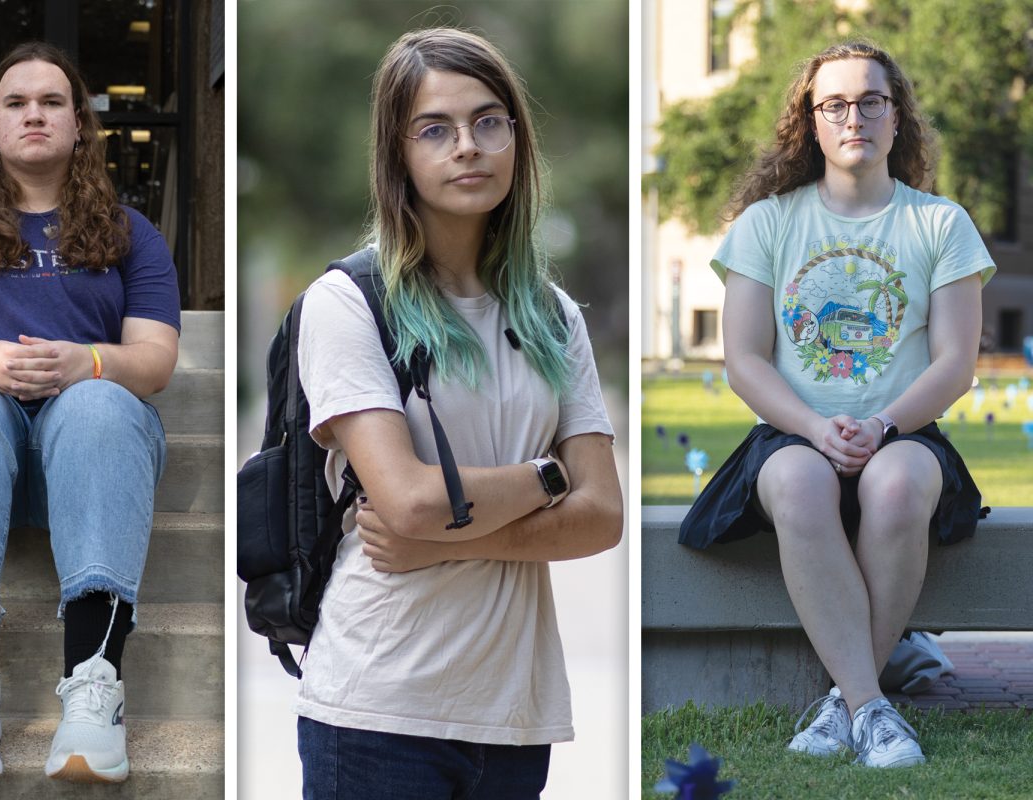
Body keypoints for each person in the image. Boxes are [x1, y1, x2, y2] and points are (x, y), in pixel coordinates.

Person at [292, 27, 623, 799]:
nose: (467, 146)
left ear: (517, 139)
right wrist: (548, 476)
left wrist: (443, 545)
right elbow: (405, 499)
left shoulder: (553, 315)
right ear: (397, 153)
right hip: (378, 707)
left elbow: (603, 514)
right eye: (435, 129)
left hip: (514, 715)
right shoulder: (348, 303)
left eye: (488, 121)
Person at [680, 41, 994, 768]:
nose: (854, 116)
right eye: (835, 104)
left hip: (905, 431)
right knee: (798, 478)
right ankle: (875, 710)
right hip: (792, 435)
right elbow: (744, 359)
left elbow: (954, 363)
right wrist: (818, 429)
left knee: (896, 480)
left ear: (896, 119)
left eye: (870, 102)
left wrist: (882, 424)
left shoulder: (940, 225)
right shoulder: (767, 223)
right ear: (811, 123)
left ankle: (842, 708)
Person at [0, 42, 180, 782]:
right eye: (16, 103)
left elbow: (157, 359)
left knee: (102, 405)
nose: (34, 115)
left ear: (80, 125)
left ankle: (95, 686)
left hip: (89, 456)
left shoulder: (130, 232)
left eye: (52, 102)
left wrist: (89, 362)